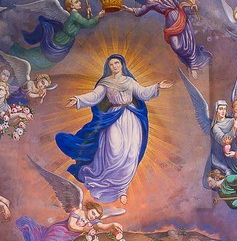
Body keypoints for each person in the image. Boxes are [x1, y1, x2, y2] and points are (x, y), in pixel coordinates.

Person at [55, 54, 171, 207]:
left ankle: (122, 189)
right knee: (114, 150)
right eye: (111, 64)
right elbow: (95, 96)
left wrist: (157, 87)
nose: (115, 66)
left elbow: (142, 93)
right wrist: (78, 100)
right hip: (114, 117)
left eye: (117, 63)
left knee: (131, 153)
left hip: (132, 118)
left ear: (122, 64)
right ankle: (103, 182)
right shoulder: (106, 82)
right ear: (108, 67)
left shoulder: (130, 81)